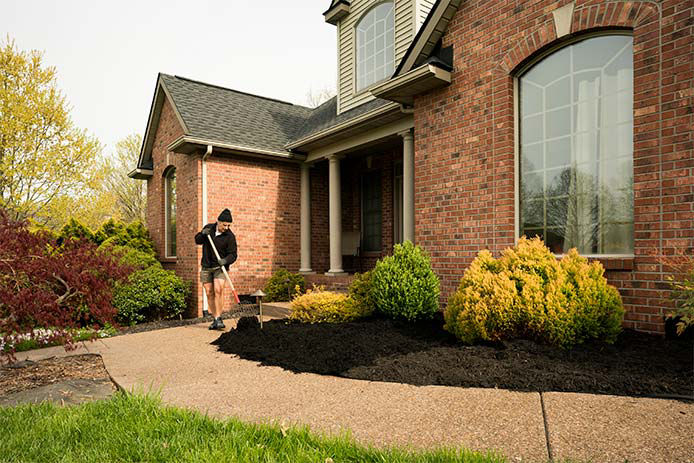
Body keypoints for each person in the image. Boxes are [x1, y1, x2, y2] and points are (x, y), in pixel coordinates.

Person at [195, 208, 238, 330]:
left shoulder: (230, 237)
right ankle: (215, 318)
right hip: (206, 266)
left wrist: (225, 261)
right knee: (209, 292)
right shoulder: (209, 228)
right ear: (218, 221)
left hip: (220, 268)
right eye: (224, 224)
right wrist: (202, 233)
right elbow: (197, 240)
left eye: (229, 225)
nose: (226, 227)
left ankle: (219, 318)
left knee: (218, 290)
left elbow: (233, 255)